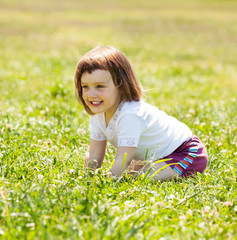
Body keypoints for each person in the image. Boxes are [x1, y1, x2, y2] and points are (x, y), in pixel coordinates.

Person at [74, 46, 208, 180]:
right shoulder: (99, 112)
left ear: (121, 85)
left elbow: (124, 159)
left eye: (100, 86)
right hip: (155, 156)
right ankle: (152, 166)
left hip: (187, 153)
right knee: (129, 175)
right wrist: (88, 178)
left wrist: (108, 181)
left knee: (135, 178)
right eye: (85, 86)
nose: (91, 94)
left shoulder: (130, 114)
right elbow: (94, 154)